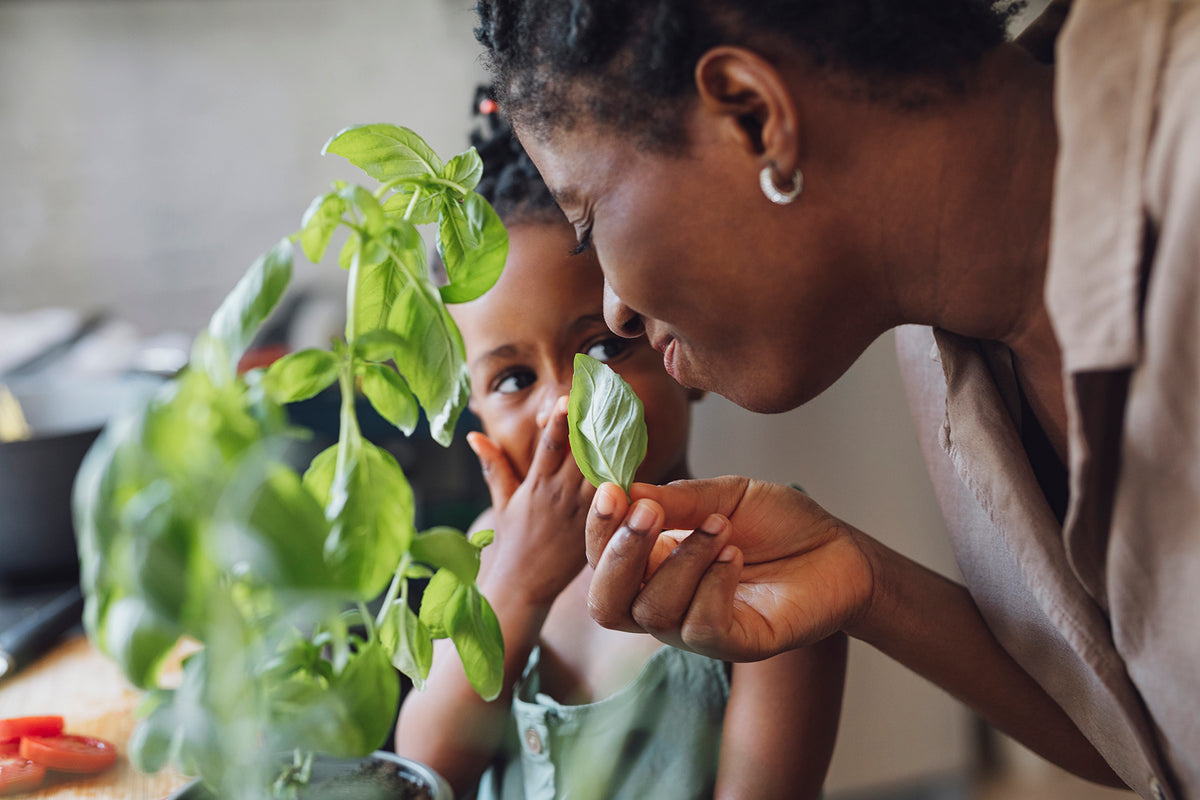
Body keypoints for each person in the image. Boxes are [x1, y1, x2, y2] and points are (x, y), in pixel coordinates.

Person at [472, 1, 1200, 798]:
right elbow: (1161, 744)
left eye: (586, 225)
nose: (614, 308)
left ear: (751, 116)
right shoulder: (940, 335)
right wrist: (862, 580)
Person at [392, 92, 847, 800]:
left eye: (604, 347)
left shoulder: (767, 574)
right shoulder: (487, 555)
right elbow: (425, 769)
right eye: (512, 378)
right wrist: (515, 589)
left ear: (680, 350)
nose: (565, 404)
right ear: (474, 410)